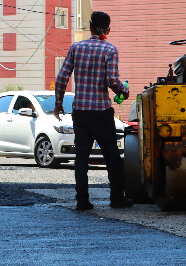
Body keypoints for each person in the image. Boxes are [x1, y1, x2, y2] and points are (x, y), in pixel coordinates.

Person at [54, 11, 133, 211]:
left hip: (80, 111)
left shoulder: (76, 48)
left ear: (90, 27)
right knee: (111, 156)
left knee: (81, 156)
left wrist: (58, 103)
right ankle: (116, 198)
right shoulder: (110, 50)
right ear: (108, 29)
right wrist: (123, 90)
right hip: (101, 111)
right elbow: (112, 81)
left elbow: (62, 77)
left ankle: (82, 200)